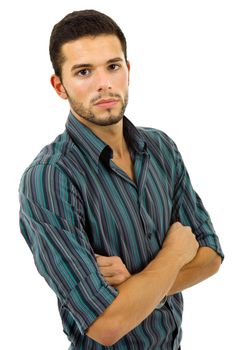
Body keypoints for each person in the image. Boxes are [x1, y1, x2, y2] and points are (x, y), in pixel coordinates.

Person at [19, 9, 224, 350]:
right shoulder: (49, 178)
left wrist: (136, 286)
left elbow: (211, 255)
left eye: (113, 66)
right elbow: (106, 323)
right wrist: (173, 254)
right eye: (83, 71)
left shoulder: (160, 148)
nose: (104, 83)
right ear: (59, 86)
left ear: (128, 70)